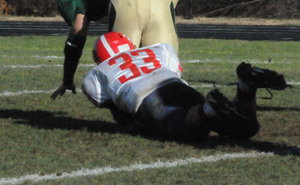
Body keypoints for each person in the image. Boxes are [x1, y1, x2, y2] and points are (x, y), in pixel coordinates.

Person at [81, 32, 287, 141]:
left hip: (146, 96)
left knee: (183, 129)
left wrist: (135, 125)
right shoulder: (158, 49)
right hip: (174, 84)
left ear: (100, 57)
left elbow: (117, 111)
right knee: (246, 130)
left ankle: (208, 110)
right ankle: (245, 88)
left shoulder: (97, 73)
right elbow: (176, 71)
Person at [51, 0, 182, 99]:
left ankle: (129, 112)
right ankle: (175, 109)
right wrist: (169, 10)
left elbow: (78, 34)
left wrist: (67, 79)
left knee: (126, 73)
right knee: (167, 69)